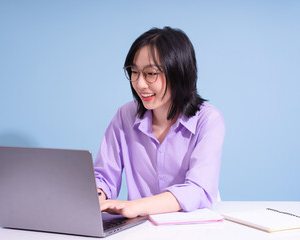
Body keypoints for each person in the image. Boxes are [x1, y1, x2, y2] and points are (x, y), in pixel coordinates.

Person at [94, 26, 225, 218]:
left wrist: (136, 206)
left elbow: (198, 190)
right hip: (139, 228)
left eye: (150, 73)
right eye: (134, 71)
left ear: (178, 73)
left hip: (193, 227)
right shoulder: (125, 115)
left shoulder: (208, 120)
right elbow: (104, 176)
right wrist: (98, 196)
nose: (139, 83)